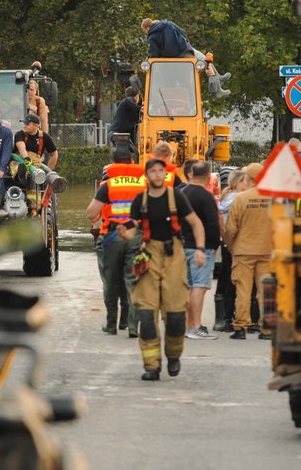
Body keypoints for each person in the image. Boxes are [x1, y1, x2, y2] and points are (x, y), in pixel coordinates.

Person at [117, 157, 206, 381]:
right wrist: (125, 233)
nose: (157, 175)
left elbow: (196, 223)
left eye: (160, 171)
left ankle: (174, 356)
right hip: (148, 254)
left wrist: (200, 249)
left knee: (176, 317)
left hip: (174, 254)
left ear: (164, 174)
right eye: (153, 171)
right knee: (146, 316)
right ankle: (151, 366)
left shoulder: (176, 196)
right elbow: (132, 225)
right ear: (147, 176)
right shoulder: (141, 200)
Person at [86, 141, 146, 337]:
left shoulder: (108, 185)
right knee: (132, 279)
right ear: (133, 160)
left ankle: (111, 324)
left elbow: (91, 213)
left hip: (112, 236)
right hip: (135, 236)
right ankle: (132, 326)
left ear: (113, 162)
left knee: (111, 282)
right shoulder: (144, 183)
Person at [224, 162, 273, 340]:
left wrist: (231, 246)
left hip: (243, 251)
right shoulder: (273, 198)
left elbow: (230, 229)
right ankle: (267, 328)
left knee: (243, 290)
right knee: (266, 291)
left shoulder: (241, 198)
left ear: (250, 179)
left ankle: (241, 327)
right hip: (267, 250)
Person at [176, 161, 221, 340]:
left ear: (191, 174)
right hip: (201, 249)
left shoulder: (180, 193)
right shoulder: (206, 196)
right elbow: (212, 223)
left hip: (181, 246)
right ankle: (196, 327)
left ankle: (188, 325)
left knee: (187, 287)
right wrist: (213, 244)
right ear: (208, 176)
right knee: (199, 287)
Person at [140, 18, 232, 98]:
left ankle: (217, 88)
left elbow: (154, 54)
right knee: (206, 63)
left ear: (147, 28)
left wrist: (149, 61)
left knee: (205, 63)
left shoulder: (152, 37)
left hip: (169, 58)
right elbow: (183, 32)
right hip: (184, 51)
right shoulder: (168, 23)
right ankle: (217, 87)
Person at [214, 169, 249, 332]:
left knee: (224, 278)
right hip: (234, 242)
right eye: (244, 181)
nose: (247, 184)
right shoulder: (237, 198)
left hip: (225, 241)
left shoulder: (226, 195)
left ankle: (221, 318)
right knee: (232, 279)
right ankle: (229, 316)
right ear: (237, 182)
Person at [107, 87, 141, 162]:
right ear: (136, 96)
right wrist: (144, 109)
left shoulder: (129, 109)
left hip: (116, 133)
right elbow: (134, 106)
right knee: (123, 151)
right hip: (117, 133)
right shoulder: (128, 100)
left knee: (133, 152)